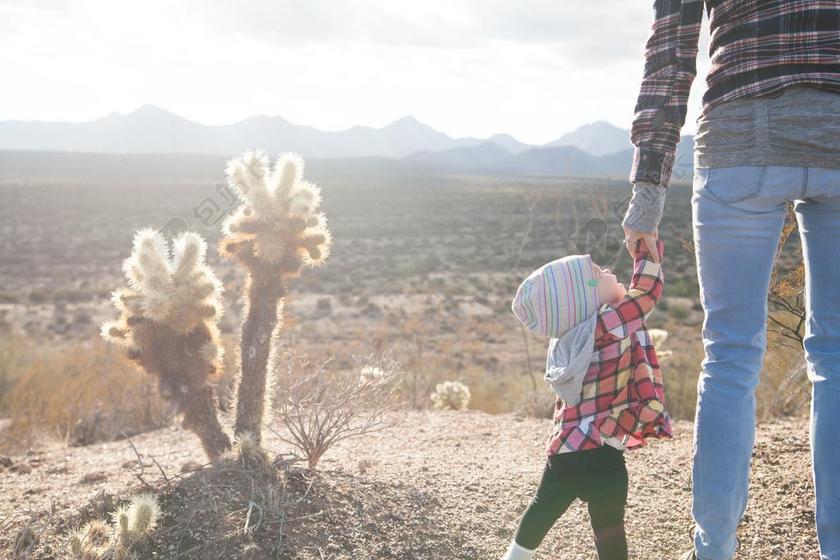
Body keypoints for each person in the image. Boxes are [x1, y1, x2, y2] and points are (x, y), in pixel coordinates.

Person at [621, 2, 840, 559]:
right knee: (838, 361)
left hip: (742, 136)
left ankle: (713, 550)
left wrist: (647, 195)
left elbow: (670, 53)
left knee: (731, 357)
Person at [500, 236, 672, 560]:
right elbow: (646, 292)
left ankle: (514, 557)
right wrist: (644, 248)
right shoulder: (607, 323)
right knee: (608, 527)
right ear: (583, 299)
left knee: (542, 510)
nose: (605, 269)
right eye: (595, 272)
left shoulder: (567, 338)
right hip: (604, 453)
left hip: (566, 450)